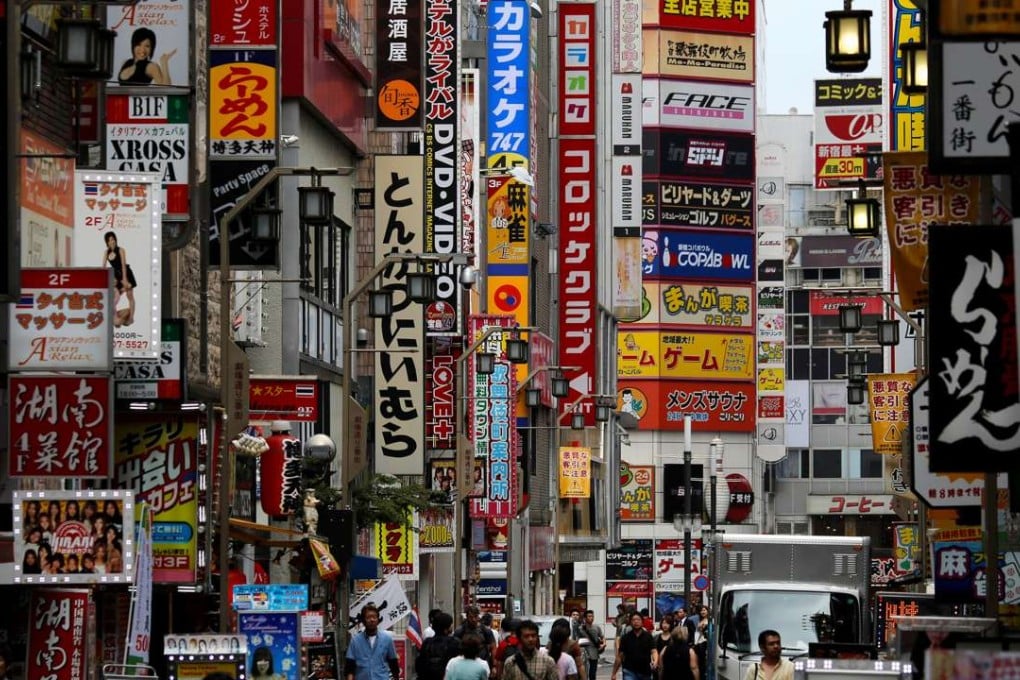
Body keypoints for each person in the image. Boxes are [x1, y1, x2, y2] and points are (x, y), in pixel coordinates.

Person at [345, 605, 401, 680]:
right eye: (368, 617)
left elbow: (393, 665)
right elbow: (350, 667)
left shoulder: (387, 639)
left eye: (374, 617)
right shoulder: (355, 641)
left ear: (378, 620)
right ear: (363, 621)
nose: (372, 620)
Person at [103, 231, 137, 327]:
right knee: (115, 296)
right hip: (116, 276)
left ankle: (131, 318)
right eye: (109, 240)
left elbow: (123, 265)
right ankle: (117, 317)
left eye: (113, 239)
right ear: (107, 242)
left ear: (115, 240)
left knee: (130, 296)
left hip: (126, 273)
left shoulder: (121, 250)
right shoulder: (106, 252)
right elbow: (103, 266)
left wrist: (125, 279)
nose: (112, 241)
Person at [611, 612, 656, 680]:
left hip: (645, 671)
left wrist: (655, 661)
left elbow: (654, 651)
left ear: (642, 622)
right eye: (633, 620)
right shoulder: (625, 638)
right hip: (629, 671)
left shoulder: (648, 636)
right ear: (630, 622)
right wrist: (614, 673)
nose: (636, 622)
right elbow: (620, 656)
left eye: (638, 619)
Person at [417, 612, 461, 680]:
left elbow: (420, 663)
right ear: (446, 629)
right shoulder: (454, 642)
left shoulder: (427, 642)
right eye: (451, 625)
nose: (452, 627)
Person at [577, 610, 606, 680]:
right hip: (584, 652)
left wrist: (604, 644)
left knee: (592, 673)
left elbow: (602, 637)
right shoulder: (580, 629)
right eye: (589, 616)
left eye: (592, 616)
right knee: (584, 672)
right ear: (585, 618)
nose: (591, 618)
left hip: (594, 652)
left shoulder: (597, 627)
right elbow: (577, 640)